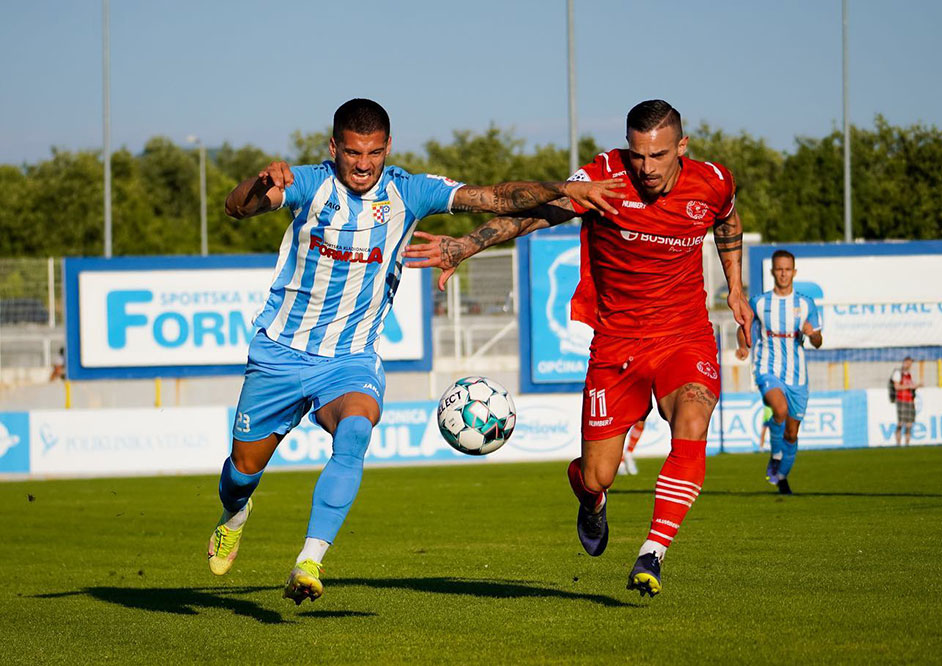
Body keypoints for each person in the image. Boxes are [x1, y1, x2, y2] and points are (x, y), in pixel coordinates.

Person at [207, 98, 625, 604]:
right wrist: (256, 187)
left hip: (350, 359)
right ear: (333, 147)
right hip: (279, 354)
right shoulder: (306, 183)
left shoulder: (409, 190)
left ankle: (309, 561)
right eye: (354, 153)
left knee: (357, 427)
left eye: (375, 153)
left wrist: (565, 190)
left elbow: (495, 197)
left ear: (388, 148)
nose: (364, 165)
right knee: (241, 474)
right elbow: (237, 208)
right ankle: (235, 513)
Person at [404, 99, 753, 598]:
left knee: (693, 419)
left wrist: (735, 288)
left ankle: (652, 553)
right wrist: (469, 243)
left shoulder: (714, 180)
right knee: (598, 474)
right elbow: (538, 214)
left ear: (682, 146)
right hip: (617, 343)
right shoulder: (606, 178)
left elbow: (728, 222)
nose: (646, 168)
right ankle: (591, 500)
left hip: (684, 333)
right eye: (638, 155)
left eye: (657, 155)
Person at [736, 250, 822, 495]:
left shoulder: (806, 304)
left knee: (792, 433)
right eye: (779, 269)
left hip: (798, 376)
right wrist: (743, 346)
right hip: (767, 368)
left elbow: (818, 341)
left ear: (794, 272)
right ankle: (775, 455)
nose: (783, 273)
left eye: (787, 269)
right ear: (773, 271)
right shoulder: (759, 303)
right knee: (780, 410)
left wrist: (813, 334)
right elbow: (743, 329)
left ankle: (781, 475)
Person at [890, 357, 920, 446]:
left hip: (910, 400)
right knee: (901, 423)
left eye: (911, 363)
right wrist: (909, 387)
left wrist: (915, 386)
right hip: (902, 400)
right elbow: (897, 387)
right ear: (904, 362)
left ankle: (907, 445)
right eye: (908, 362)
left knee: (909, 424)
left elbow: (909, 386)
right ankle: (898, 444)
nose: (909, 365)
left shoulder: (909, 375)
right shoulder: (898, 373)